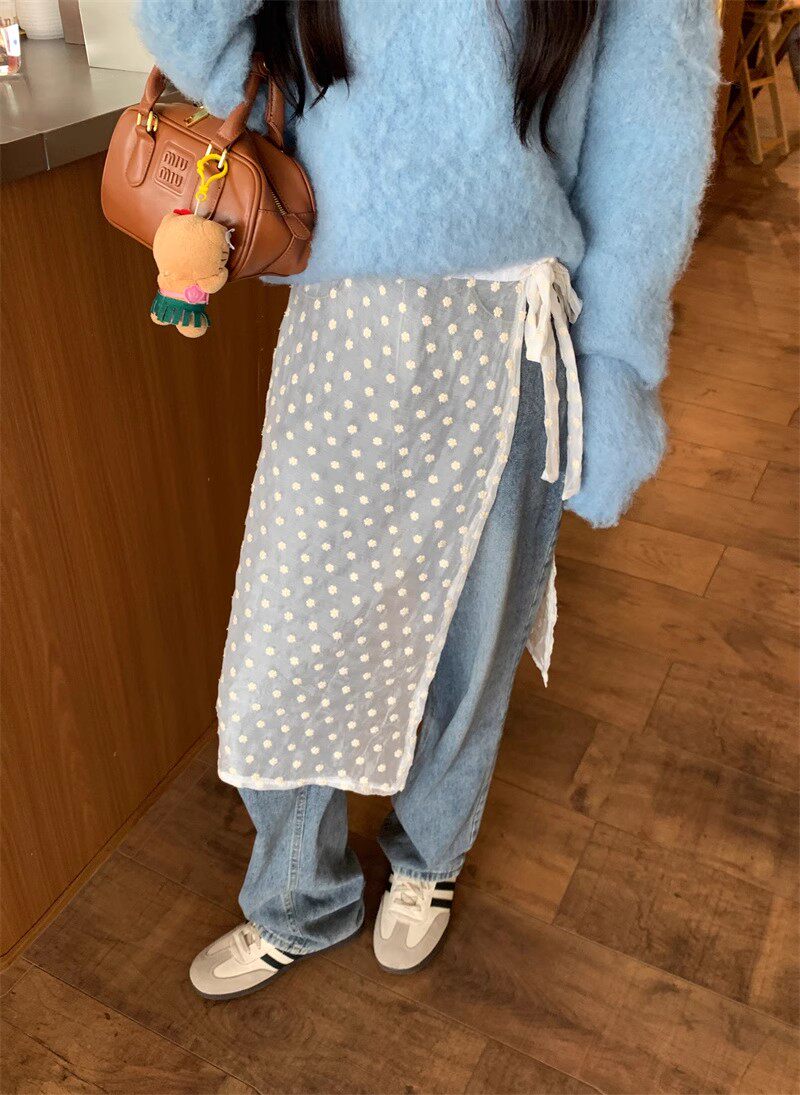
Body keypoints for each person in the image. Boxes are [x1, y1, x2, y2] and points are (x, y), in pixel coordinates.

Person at [136, 0, 720, 999]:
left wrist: (617, 365)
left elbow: (648, 130)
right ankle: (297, 895)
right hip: (346, 312)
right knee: (289, 633)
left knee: (474, 636)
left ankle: (429, 858)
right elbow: (205, 41)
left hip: (511, 320)